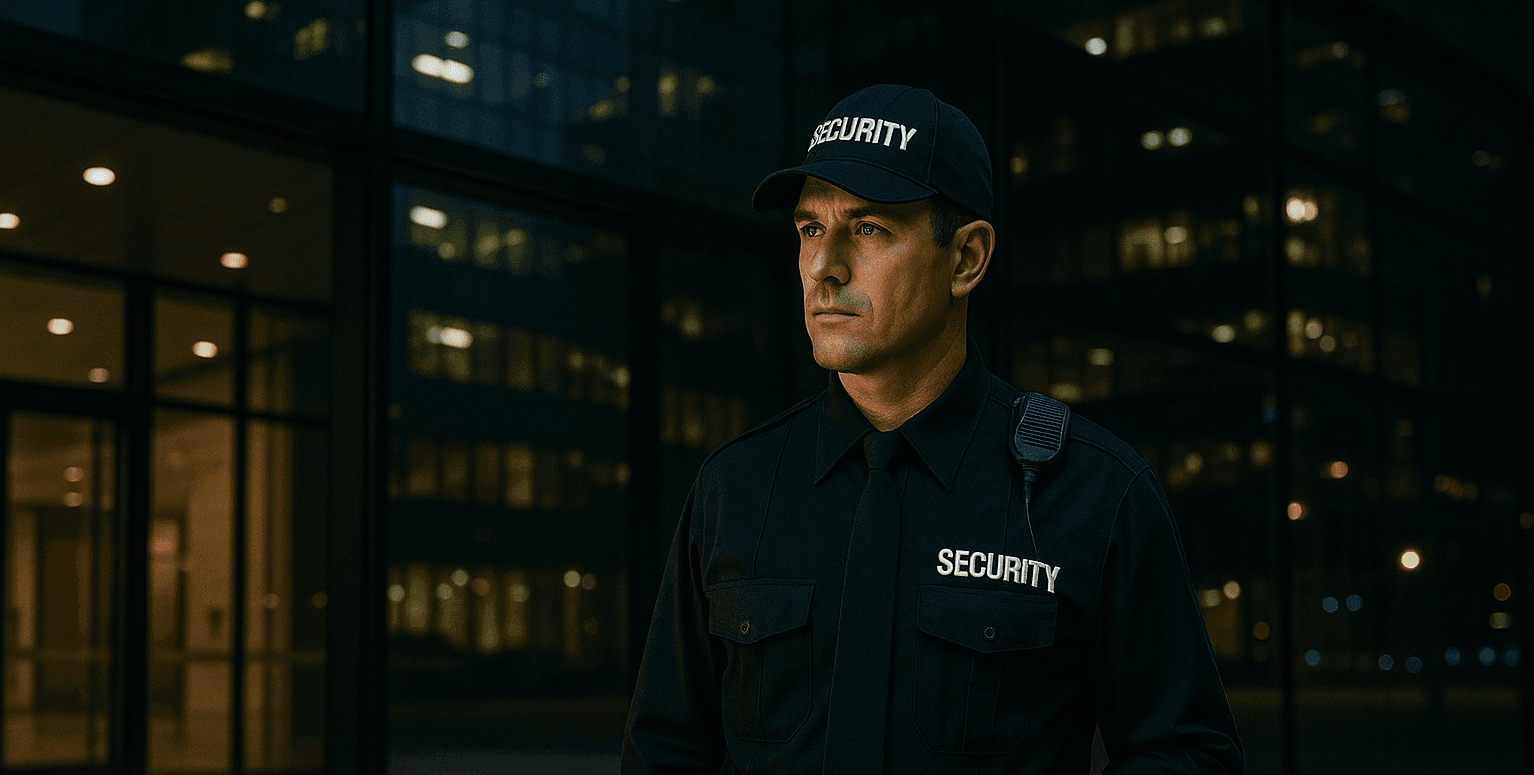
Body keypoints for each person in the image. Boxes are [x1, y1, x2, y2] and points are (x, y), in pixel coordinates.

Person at [621, 84, 1243, 774]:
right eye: (809, 229)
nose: (824, 267)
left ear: (967, 258)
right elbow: (665, 751)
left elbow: (1190, 754)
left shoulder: (1094, 491)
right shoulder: (734, 486)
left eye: (869, 229)